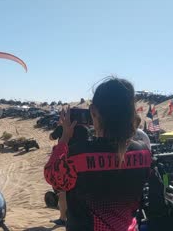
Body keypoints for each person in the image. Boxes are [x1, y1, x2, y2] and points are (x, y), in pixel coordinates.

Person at [45, 77, 152, 231]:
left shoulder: (78, 155)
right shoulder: (144, 152)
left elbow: (53, 177)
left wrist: (64, 139)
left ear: (94, 112)